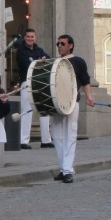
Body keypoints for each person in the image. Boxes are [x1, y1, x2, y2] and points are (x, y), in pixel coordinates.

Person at [51, 34, 94, 184]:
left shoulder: (78, 61)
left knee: (70, 135)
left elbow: (86, 80)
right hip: (56, 104)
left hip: (71, 102)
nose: (59, 46)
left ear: (71, 45)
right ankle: (63, 168)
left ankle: (68, 170)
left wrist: (89, 96)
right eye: (58, 44)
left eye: (62, 43)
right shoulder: (55, 62)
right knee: (56, 135)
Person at [15, 29, 53, 149]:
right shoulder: (20, 51)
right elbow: (27, 65)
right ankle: (23, 140)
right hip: (27, 83)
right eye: (28, 37)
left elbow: (48, 60)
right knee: (27, 110)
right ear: (25, 37)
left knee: (44, 110)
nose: (30, 39)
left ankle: (46, 140)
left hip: (40, 82)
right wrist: (39, 62)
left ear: (35, 38)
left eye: (32, 36)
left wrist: (39, 62)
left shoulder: (39, 50)